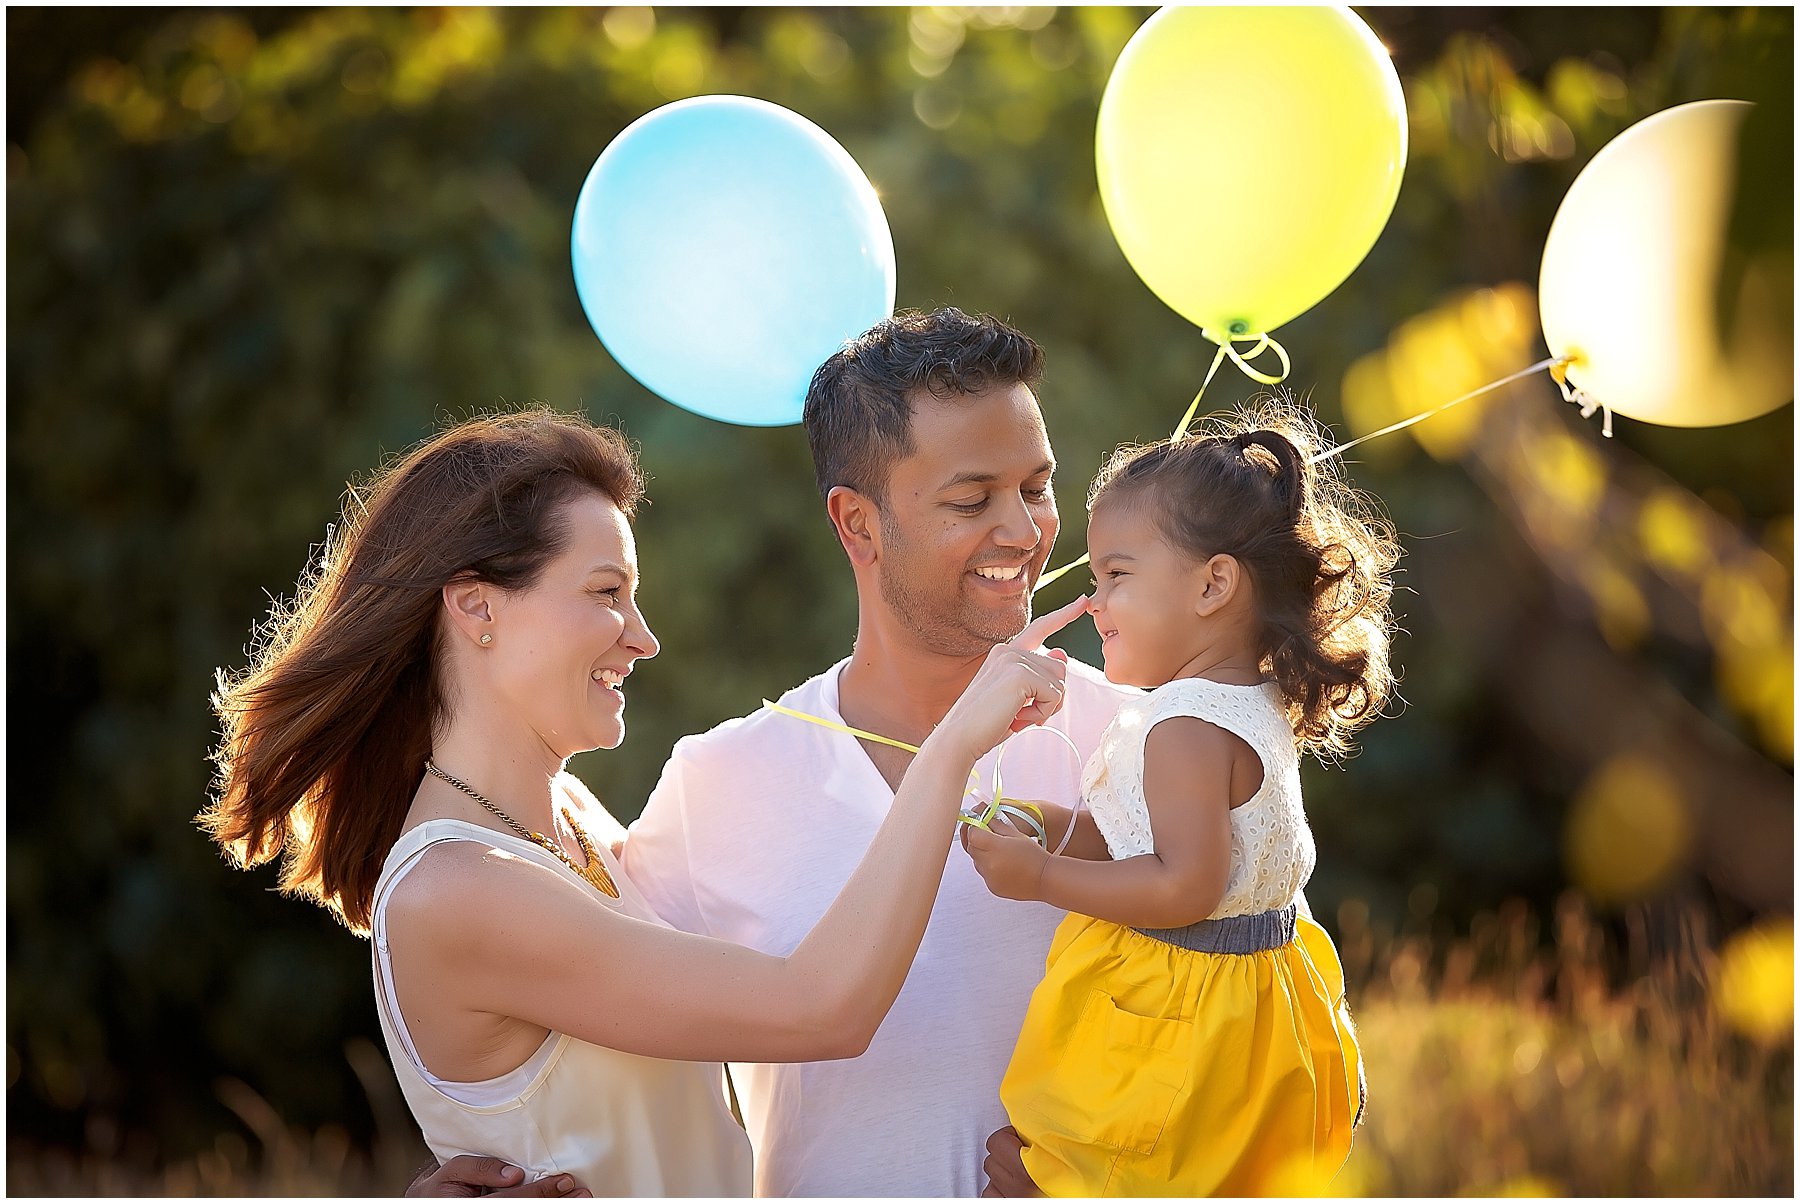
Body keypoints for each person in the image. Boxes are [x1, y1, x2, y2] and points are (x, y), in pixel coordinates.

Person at [201, 409, 1078, 1196]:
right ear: (476, 609)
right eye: (604, 593)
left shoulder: (570, 819)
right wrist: (956, 742)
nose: (643, 636)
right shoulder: (455, 887)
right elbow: (820, 1006)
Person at [619, 308, 1144, 1196]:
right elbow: (605, 1069)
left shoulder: (1145, 741)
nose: (1022, 531)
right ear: (857, 525)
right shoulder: (716, 785)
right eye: (971, 501)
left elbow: (1296, 1047)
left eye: (1038, 487)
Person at [961, 407, 1395, 1194]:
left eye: (1115, 576)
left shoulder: (1187, 726)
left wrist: (1039, 880)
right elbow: (1147, 841)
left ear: (1212, 584)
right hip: (1256, 1007)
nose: (1093, 603)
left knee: (1092, 1172)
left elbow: (1183, 886)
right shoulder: (1245, 700)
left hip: (1177, 1026)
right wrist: (1053, 828)